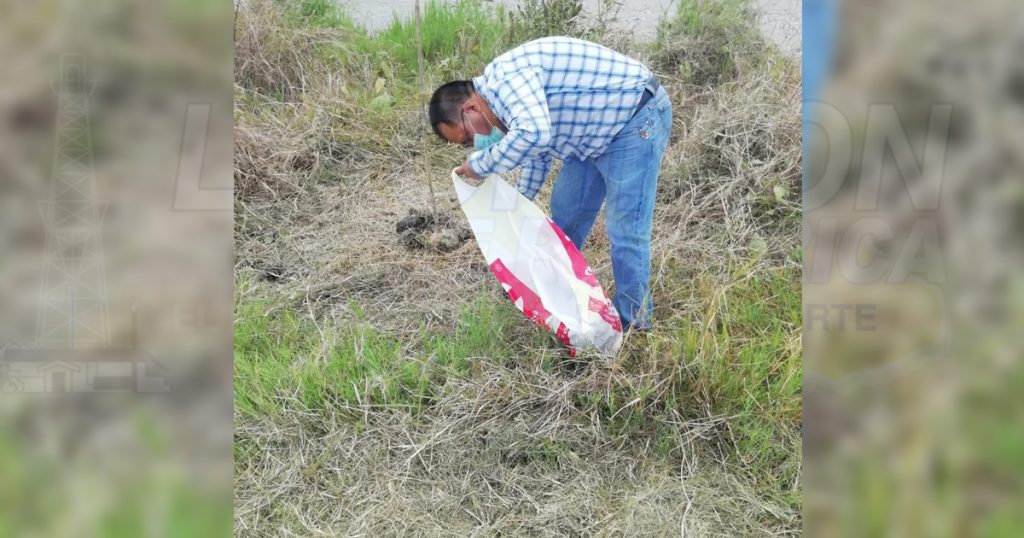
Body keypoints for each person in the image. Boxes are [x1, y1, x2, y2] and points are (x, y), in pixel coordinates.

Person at [428, 36, 672, 331]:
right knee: (565, 215)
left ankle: (635, 324)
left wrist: (478, 166)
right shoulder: (501, 106)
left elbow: (535, 135)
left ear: (470, 109)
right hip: (592, 134)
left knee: (625, 230)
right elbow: (538, 154)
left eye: (466, 138)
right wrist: (517, 203)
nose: (473, 144)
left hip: (634, 118)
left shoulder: (505, 82)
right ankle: (560, 300)